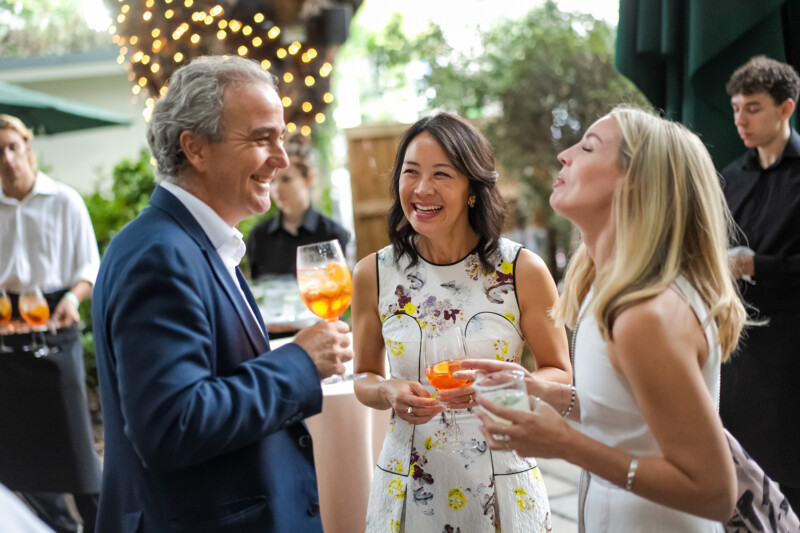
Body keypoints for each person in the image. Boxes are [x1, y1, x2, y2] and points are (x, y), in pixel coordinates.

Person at [92, 55, 353, 532]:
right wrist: (300, 363)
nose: (281, 159)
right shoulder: (161, 255)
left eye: (281, 138)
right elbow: (174, 424)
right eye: (261, 138)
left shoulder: (196, 243)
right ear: (195, 148)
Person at [469, 106, 748, 531]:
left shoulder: (643, 315)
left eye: (588, 147)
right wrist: (544, 391)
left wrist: (565, 444)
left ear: (634, 182)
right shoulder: (610, 290)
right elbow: (630, 418)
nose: (564, 154)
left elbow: (715, 491)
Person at [350, 112, 571, 532]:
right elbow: (362, 376)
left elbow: (559, 374)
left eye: (441, 174)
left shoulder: (522, 269)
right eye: (410, 172)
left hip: (503, 480)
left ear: (473, 187)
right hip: (407, 483)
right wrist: (386, 389)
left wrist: (504, 390)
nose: (422, 189)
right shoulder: (372, 274)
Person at [0, 114, 101, 533]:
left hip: (59, 321)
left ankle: (101, 523)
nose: (7, 158)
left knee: (74, 440)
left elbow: (90, 268)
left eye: (12, 147)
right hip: (6, 327)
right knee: (19, 445)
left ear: (28, 148)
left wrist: (73, 300)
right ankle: (55, 526)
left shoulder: (65, 200)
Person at [719, 55, 800, 510]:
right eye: (736, 109)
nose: (740, 120)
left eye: (753, 108)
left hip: (792, 350)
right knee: (744, 477)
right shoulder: (730, 177)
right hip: (740, 351)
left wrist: (758, 266)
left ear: (786, 108)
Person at [246, 137, 349, 279]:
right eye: (272, 181)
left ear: (308, 179)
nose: (276, 188)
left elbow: (338, 285)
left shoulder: (333, 235)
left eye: (285, 179)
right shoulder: (258, 237)